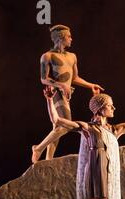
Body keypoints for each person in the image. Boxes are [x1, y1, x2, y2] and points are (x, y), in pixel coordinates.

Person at [32, 25, 104, 163]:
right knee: (66, 124)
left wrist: (90, 85)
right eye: (69, 36)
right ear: (60, 37)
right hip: (55, 93)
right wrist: (61, 85)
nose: (71, 39)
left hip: (65, 94)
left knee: (58, 128)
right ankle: (38, 148)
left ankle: (48, 160)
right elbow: (43, 79)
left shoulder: (72, 56)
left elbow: (75, 78)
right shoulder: (47, 56)